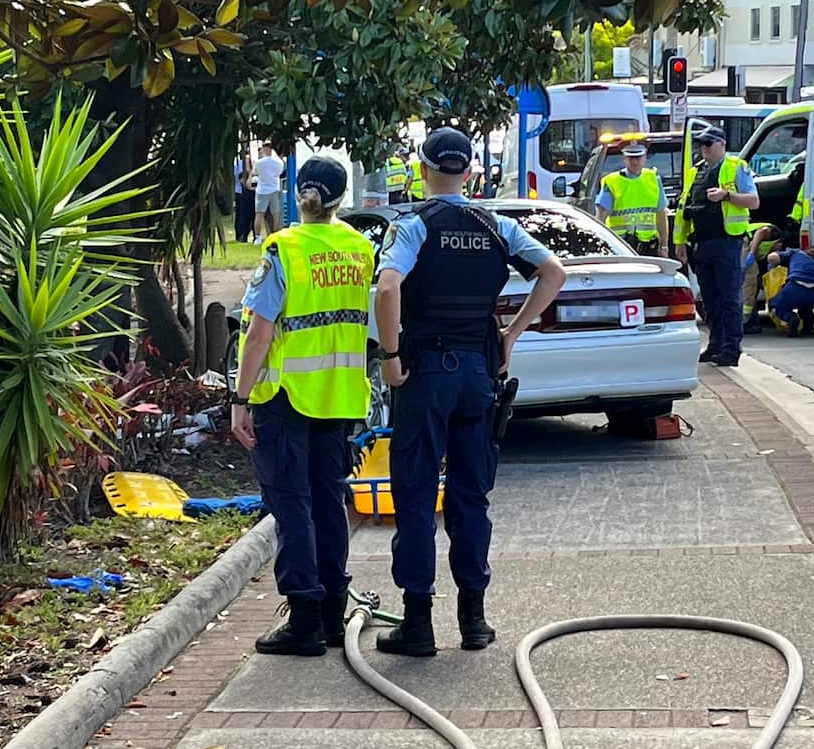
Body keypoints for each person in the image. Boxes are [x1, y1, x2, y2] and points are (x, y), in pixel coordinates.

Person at [374, 127, 565, 657]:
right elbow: (554, 272)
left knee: (415, 496)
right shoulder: (498, 225)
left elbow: (389, 287)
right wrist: (511, 334)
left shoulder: (415, 226)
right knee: (471, 496)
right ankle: (473, 620)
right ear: (470, 171)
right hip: (480, 376)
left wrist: (390, 357)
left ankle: (417, 623)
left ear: (423, 167)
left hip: (424, 374)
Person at [230, 156, 374, 657]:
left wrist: (239, 398)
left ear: (298, 194)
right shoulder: (360, 248)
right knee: (329, 501)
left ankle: (304, 619)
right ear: (340, 197)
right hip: (339, 396)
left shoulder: (281, 248)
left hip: (286, 395)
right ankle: (334, 613)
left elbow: (259, 333)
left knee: (292, 505)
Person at [673, 125, 759, 367]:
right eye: (701, 144)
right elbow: (683, 209)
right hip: (702, 242)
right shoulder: (695, 172)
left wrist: (726, 196)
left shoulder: (736, 167)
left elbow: (754, 201)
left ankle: (731, 349)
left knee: (729, 297)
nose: (704, 149)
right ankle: (715, 344)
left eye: (708, 144)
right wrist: (679, 241)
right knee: (709, 298)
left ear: (722, 144)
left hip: (728, 242)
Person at [595, 142, 669, 256]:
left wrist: (664, 246)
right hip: (621, 247)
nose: (634, 162)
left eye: (638, 157)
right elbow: (601, 218)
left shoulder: (653, 179)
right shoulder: (612, 182)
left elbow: (661, 215)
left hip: (649, 247)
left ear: (645, 158)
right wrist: (602, 245)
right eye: (630, 158)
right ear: (624, 159)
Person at [767, 245, 814, 337]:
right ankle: (808, 327)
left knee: (777, 304)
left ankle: (791, 318)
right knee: (806, 306)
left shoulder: (796, 253)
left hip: (795, 288)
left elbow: (772, 258)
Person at [741, 222, 784, 334]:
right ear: (780, 242)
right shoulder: (774, 233)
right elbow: (760, 232)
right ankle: (744, 322)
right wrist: (751, 253)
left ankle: (748, 319)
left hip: (742, 244)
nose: (777, 252)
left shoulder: (769, 248)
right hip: (743, 243)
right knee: (750, 283)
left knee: (753, 282)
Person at [253, 144, 286, 243]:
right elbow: (280, 173)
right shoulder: (278, 162)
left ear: (264, 149)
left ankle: (258, 237)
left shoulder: (259, 162)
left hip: (262, 190)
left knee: (259, 214)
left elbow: (255, 172)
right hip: (274, 189)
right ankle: (275, 235)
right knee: (276, 214)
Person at [234, 153, 255, 243]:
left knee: (252, 215)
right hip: (241, 193)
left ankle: (252, 234)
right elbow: (242, 179)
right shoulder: (238, 164)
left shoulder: (254, 163)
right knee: (242, 215)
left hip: (252, 193)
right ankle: (241, 235)